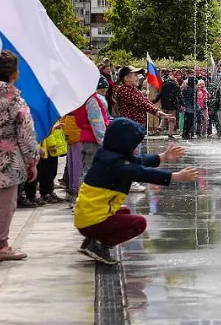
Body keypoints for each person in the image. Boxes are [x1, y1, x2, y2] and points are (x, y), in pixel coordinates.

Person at [74, 118, 199, 264]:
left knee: (124, 212)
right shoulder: (117, 165)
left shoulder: (107, 156)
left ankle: (92, 240)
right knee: (138, 223)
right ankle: (100, 246)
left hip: (86, 218)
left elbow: (139, 161)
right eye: (134, 145)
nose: (135, 149)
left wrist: (162, 157)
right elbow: (141, 172)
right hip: (91, 221)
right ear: (123, 143)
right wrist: (175, 177)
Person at [0, 50, 38, 261]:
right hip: (7, 160)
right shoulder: (14, 99)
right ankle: (2, 246)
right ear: (14, 73)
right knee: (5, 204)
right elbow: (25, 134)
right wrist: (32, 161)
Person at [72, 77, 112, 197]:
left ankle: (82, 199)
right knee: (90, 172)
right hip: (93, 139)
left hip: (87, 137)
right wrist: (104, 141)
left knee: (87, 170)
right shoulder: (92, 100)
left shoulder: (83, 100)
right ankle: (82, 200)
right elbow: (96, 122)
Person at [20, 122, 67, 207]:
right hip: (42, 149)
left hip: (43, 148)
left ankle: (35, 195)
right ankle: (36, 195)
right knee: (42, 174)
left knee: (48, 173)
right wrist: (51, 144)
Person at [115, 66, 170, 131]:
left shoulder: (133, 89)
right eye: (135, 75)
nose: (138, 77)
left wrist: (158, 111)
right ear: (127, 78)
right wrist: (157, 112)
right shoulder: (125, 90)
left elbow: (145, 101)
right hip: (130, 126)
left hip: (135, 125)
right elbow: (142, 103)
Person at [158, 70, 181, 139]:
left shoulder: (164, 85)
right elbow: (179, 95)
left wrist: (154, 100)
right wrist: (182, 103)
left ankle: (160, 127)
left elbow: (160, 94)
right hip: (172, 105)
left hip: (164, 104)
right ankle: (170, 134)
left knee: (165, 116)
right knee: (172, 119)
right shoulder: (176, 86)